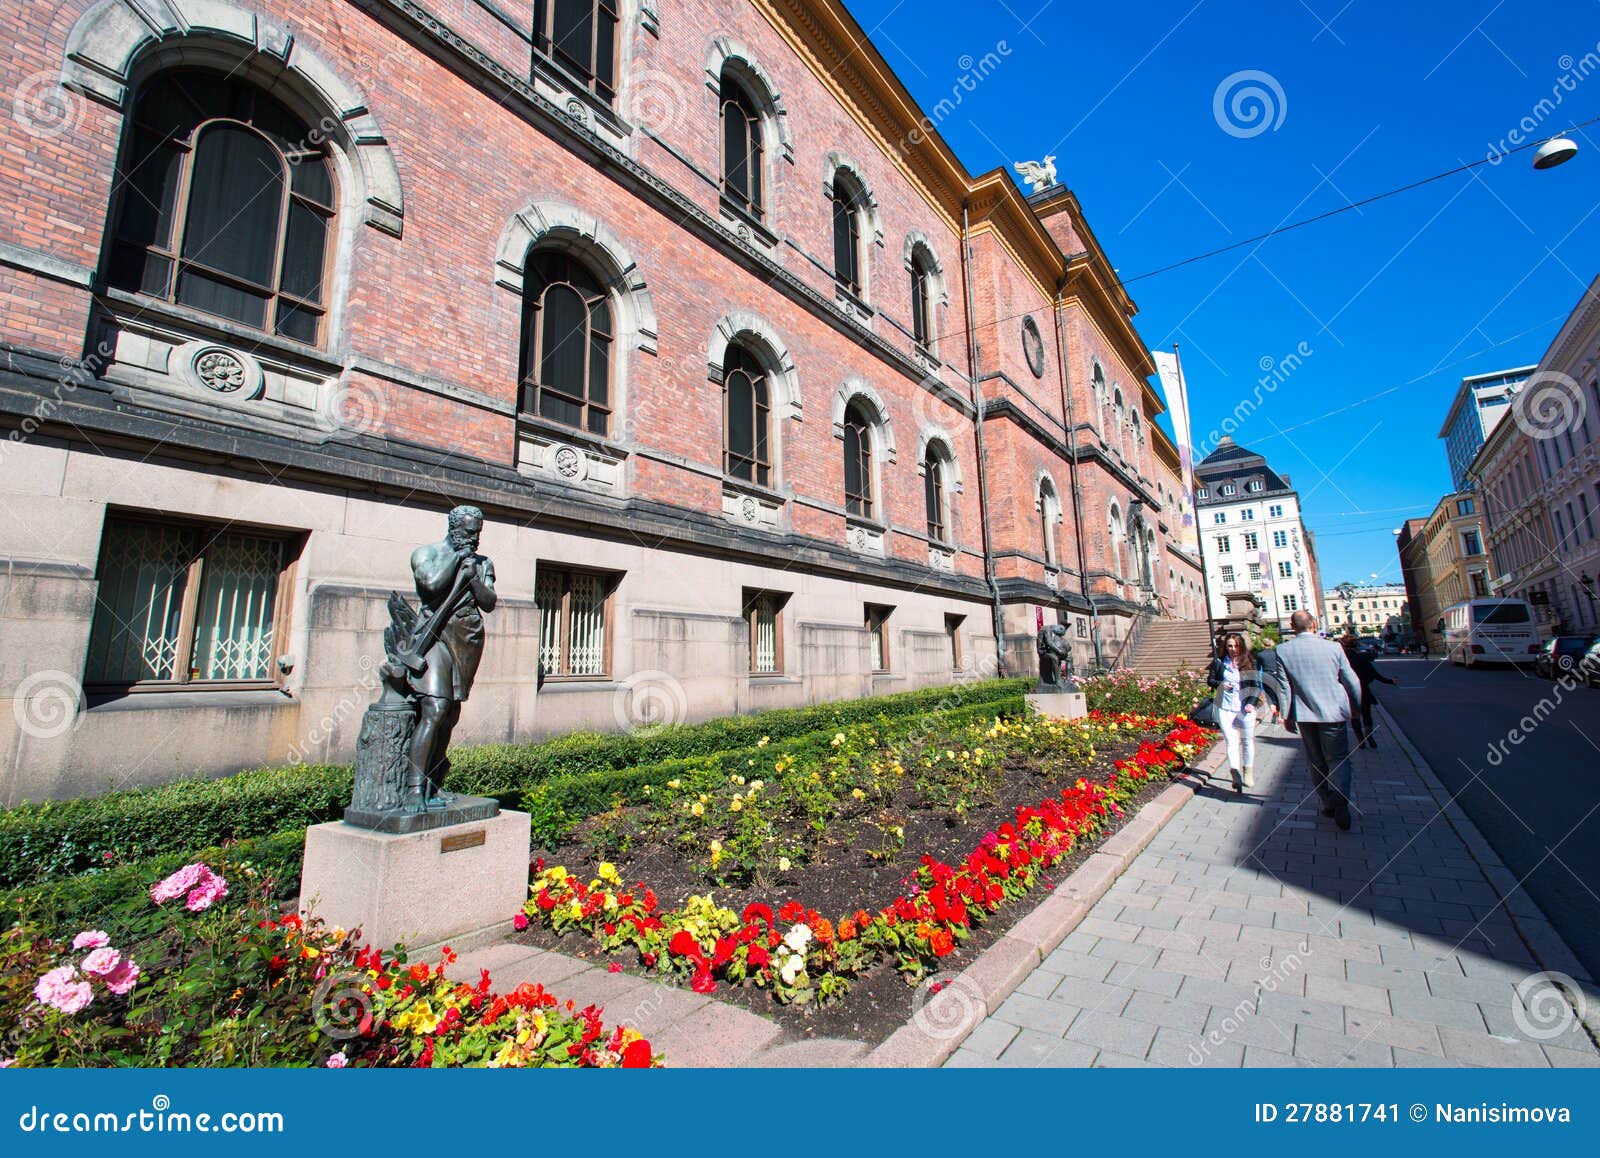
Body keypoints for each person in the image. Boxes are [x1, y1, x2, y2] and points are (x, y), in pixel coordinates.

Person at [1273, 610, 1364, 831]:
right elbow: (1351, 679)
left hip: (1305, 714)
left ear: (1292, 627)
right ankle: (1340, 798)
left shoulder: (1283, 650)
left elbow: (1284, 687)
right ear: (1313, 624)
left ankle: (1326, 800)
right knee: (1339, 758)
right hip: (1334, 711)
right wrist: (1356, 706)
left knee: (1316, 761)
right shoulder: (1333, 647)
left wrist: (1286, 715)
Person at [1206, 632, 1263, 793]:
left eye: (1236, 646)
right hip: (1225, 706)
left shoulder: (1249, 662)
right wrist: (1221, 684)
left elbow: (1256, 685)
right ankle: (1235, 773)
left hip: (1244, 707)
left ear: (1241, 646)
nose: (1232, 649)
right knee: (1231, 741)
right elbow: (1210, 681)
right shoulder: (1219, 663)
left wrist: (1251, 703)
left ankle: (1248, 771)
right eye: (1229, 646)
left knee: (1246, 740)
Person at [1340, 634, 1396, 749]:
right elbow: (1374, 675)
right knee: (1367, 715)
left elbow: (1336, 678)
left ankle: (1360, 740)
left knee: (1354, 716)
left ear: (1343, 646)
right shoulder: (1362, 658)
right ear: (1356, 646)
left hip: (1348, 692)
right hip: (1364, 690)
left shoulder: (1341, 661)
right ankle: (1368, 733)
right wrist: (1390, 681)